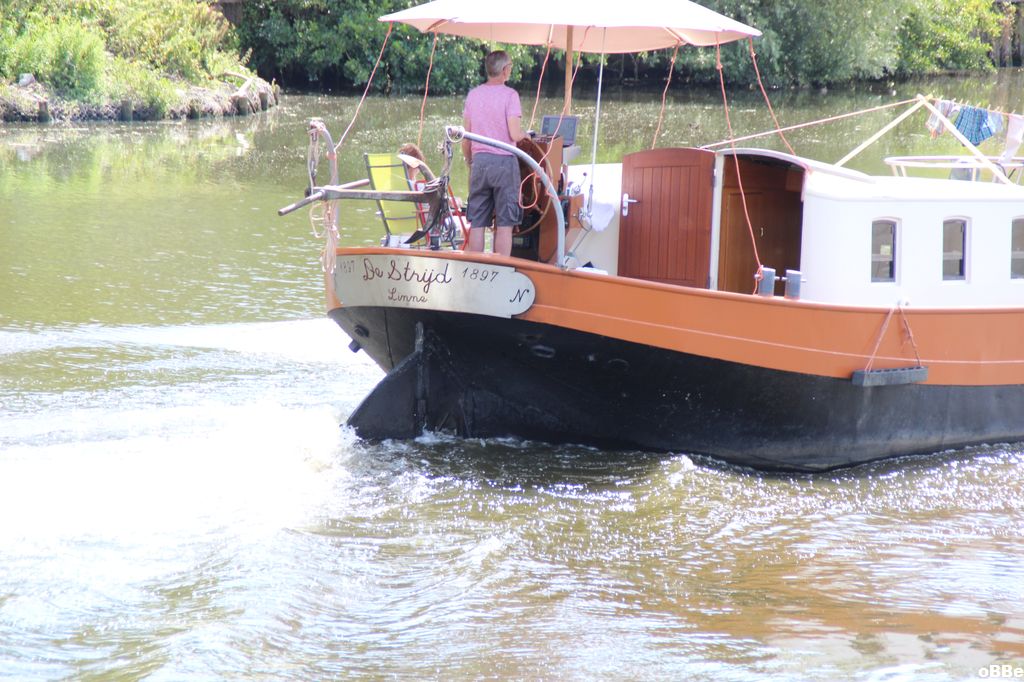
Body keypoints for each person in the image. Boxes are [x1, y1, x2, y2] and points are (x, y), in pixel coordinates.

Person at [462, 50, 528, 256]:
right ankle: (501, 267)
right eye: (510, 67)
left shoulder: (473, 95)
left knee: (477, 221)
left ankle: (475, 267)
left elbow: (466, 137)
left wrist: (470, 161)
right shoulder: (510, 95)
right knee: (505, 223)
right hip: (504, 164)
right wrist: (527, 135)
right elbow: (514, 134)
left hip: (480, 163)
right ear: (505, 70)